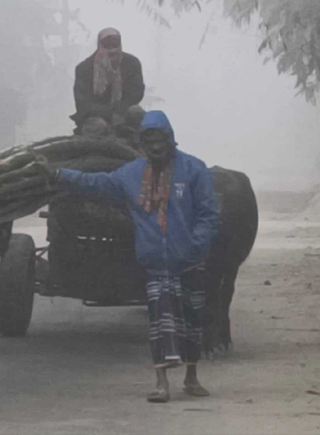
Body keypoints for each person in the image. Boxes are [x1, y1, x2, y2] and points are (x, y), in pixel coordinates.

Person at [38, 110, 220, 403]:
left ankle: (191, 376)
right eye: (148, 142)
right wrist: (60, 175)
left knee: (192, 321)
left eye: (159, 140)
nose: (155, 147)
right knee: (160, 323)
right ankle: (162, 384)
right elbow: (96, 183)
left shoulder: (193, 169)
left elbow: (208, 215)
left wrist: (194, 247)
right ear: (142, 144)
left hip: (189, 261)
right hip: (155, 262)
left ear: (170, 139)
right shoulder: (131, 173)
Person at [71, 28, 145, 132]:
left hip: (124, 111)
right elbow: (82, 102)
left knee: (136, 112)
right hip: (93, 115)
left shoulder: (132, 63)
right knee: (97, 127)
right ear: (99, 45)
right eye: (107, 45)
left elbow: (137, 92)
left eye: (114, 44)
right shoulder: (84, 68)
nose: (111, 49)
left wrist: (120, 111)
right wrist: (108, 113)